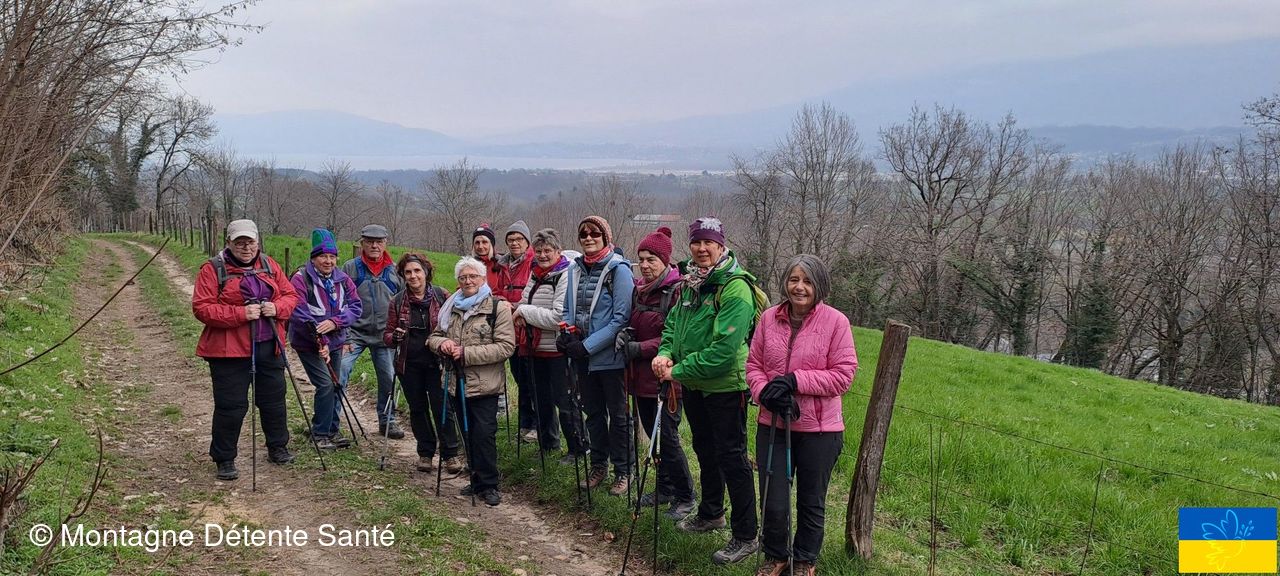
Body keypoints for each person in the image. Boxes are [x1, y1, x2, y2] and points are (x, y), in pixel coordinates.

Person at [653, 217, 760, 564]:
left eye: (708, 243)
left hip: (726, 386)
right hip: (695, 383)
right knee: (705, 449)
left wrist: (676, 371)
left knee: (733, 458)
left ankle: (746, 535)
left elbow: (723, 351)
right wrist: (665, 353)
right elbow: (673, 325)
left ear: (721, 246)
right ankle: (711, 513)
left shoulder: (735, 288)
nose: (701, 249)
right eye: (696, 242)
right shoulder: (691, 283)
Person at [747, 255, 857, 576]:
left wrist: (795, 381)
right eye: (794, 279)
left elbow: (843, 376)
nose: (799, 287)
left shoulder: (836, 322)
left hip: (820, 431)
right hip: (773, 424)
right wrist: (765, 392)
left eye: (807, 281)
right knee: (774, 500)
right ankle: (776, 555)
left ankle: (805, 560)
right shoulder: (769, 318)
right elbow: (753, 365)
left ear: (819, 285)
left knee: (811, 501)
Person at [193, 219, 299, 481]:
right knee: (231, 406)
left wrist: (277, 308)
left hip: (269, 345)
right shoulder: (212, 269)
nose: (246, 247)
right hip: (228, 352)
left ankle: (278, 447)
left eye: (250, 241)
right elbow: (202, 307)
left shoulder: (269, 264)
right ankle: (225, 458)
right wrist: (241, 314)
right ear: (228, 242)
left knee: (274, 400)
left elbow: (290, 295)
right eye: (239, 242)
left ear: (257, 241)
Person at [617, 226, 697, 519]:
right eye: (641, 259)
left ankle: (686, 495)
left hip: (666, 379)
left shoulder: (677, 291)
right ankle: (665, 488)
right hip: (640, 377)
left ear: (665, 261)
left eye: (651, 259)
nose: (645, 265)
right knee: (654, 438)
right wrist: (626, 335)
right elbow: (635, 323)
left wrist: (640, 348)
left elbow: (675, 337)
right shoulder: (640, 290)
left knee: (668, 439)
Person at [428, 257, 516, 507]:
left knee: (484, 434)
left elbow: (506, 347)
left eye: (473, 276)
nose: (468, 281)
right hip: (456, 382)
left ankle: (489, 484)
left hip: (485, 384)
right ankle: (476, 479)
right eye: (463, 277)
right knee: (467, 433)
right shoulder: (451, 307)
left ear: (483, 278)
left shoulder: (497, 308)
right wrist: (442, 344)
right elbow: (434, 336)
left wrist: (466, 353)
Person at [559, 216, 634, 496]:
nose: (589, 238)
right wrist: (567, 335)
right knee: (593, 414)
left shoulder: (619, 270)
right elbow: (568, 309)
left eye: (595, 233)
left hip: (610, 358)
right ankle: (598, 466)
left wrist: (587, 345)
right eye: (583, 234)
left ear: (606, 237)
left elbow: (620, 318)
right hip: (582, 357)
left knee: (618, 416)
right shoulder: (575, 270)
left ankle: (624, 471)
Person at [383, 252, 465, 475]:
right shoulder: (397, 301)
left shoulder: (442, 296)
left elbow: (455, 326)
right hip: (409, 365)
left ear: (426, 272)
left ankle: (450, 454)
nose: (413, 276)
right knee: (418, 409)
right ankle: (425, 453)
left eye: (417, 271)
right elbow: (387, 336)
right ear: (403, 275)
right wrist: (395, 337)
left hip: (438, 363)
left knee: (442, 408)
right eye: (408, 272)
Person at [512, 229, 586, 462]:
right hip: (535, 348)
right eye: (539, 251)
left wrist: (525, 312)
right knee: (541, 400)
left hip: (558, 350)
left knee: (565, 401)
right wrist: (521, 310)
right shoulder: (536, 274)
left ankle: (578, 449)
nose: (543, 255)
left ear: (558, 251)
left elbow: (558, 318)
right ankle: (549, 445)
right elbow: (523, 302)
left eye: (548, 250)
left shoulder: (566, 275)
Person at [289, 228, 363, 450]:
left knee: (336, 384)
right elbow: (298, 312)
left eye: (332, 256)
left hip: (336, 341)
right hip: (308, 343)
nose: (328, 261)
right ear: (313, 258)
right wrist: (321, 339)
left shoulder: (343, 279)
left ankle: (332, 429)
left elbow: (356, 306)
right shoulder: (301, 279)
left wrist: (336, 322)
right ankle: (320, 434)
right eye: (323, 256)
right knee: (325, 384)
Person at [339, 224, 405, 439]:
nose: (374, 246)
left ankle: (388, 421)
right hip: (354, 333)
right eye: (369, 242)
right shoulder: (350, 268)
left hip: (385, 335)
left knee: (388, 377)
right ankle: (330, 423)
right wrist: (344, 334)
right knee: (339, 371)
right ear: (362, 243)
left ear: (386, 243)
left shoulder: (396, 270)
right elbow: (339, 301)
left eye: (379, 242)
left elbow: (404, 302)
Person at [498, 220, 539, 444]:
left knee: (532, 380)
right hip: (508, 332)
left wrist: (514, 307)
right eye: (511, 239)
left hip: (528, 331)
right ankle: (525, 423)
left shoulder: (533, 262)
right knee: (519, 379)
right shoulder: (503, 265)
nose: (514, 243)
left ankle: (537, 425)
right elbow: (498, 290)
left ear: (527, 242)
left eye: (519, 239)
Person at [471, 224, 503, 293]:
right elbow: (461, 289)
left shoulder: (501, 264)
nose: (480, 246)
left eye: (484, 242)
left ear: (491, 244)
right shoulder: (469, 265)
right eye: (477, 242)